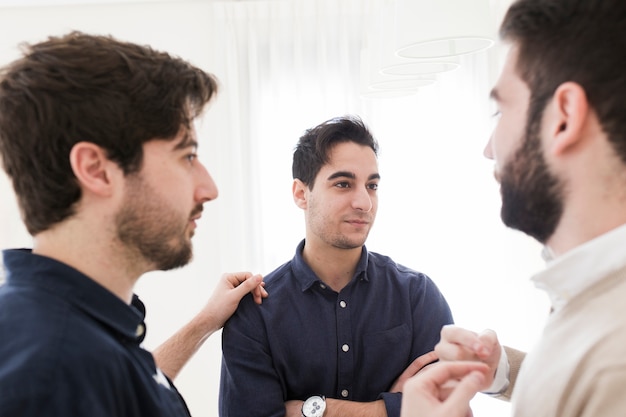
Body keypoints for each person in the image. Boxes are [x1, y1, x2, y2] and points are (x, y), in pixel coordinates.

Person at [0, 31, 266, 416]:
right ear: (97, 170)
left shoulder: (74, 338)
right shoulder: (47, 373)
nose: (209, 188)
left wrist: (205, 323)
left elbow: (122, 391)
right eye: (187, 156)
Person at [401, 0, 626, 416]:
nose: (489, 149)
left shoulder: (614, 359)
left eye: (500, 110)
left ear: (563, 117)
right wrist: (502, 371)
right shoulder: (596, 291)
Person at [219, 115, 454, 417]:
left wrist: (319, 411)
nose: (364, 203)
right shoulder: (255, 313)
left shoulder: (417, 296)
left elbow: (447, 410)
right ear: (301, 194)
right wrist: (395, 409)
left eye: (372, 186)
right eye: (343, 184)